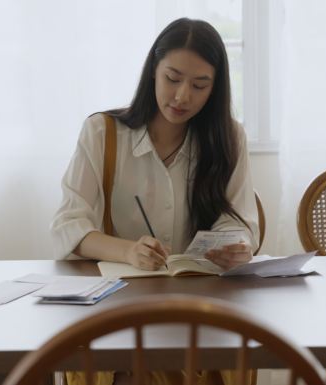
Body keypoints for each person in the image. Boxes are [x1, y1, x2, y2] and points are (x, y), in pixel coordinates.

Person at [51, 17, 259, 385]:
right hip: (119, 306)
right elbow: (69, 225)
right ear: (153, 71)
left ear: (216, 88)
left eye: (199, 85)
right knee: (137, 367)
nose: (182, 97)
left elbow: (238, 222)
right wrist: (128, 251)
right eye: (172, 78)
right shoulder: (103, 133)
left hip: (203, 305)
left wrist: (237, 246)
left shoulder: (229, 137)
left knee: (213, 360)